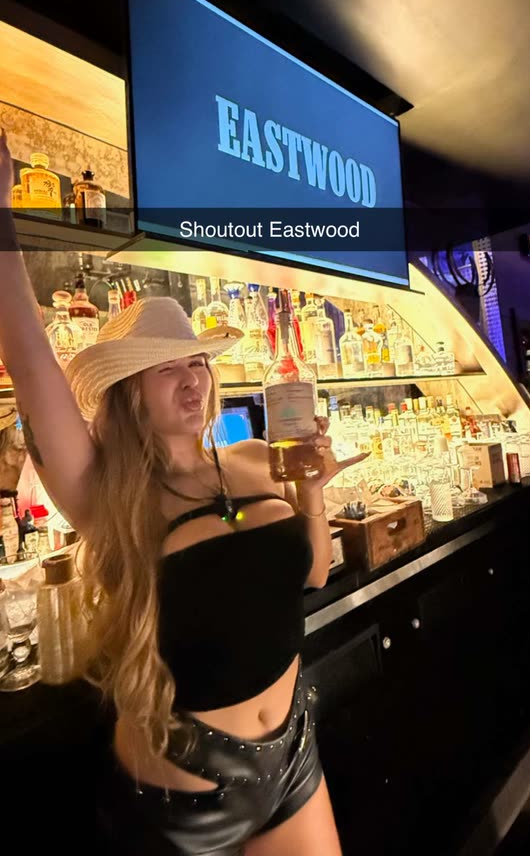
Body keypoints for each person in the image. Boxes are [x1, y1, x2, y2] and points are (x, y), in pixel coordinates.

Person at [0, 131, 366, 855]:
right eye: (167, 368)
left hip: (293, 752)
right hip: (187, 790)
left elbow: (316, 574)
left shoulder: (253, 458)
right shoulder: (108, 494)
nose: (193, 377)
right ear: (129, 391)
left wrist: (314, 492)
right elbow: (30, 355)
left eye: (197, 361)